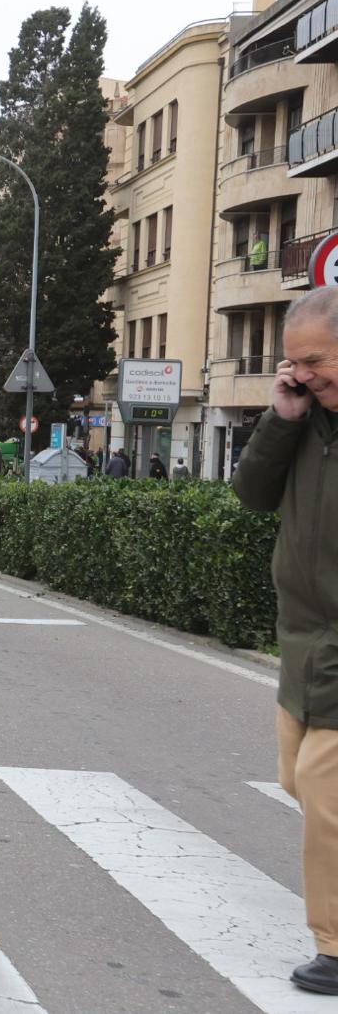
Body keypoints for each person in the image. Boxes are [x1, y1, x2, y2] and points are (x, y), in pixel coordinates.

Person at [231, 285, 338, 996]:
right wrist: (281, 416)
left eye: (314, 361)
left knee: (328, 798)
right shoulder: (303, 420)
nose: (300, 372)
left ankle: (334, 946)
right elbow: (251, 493)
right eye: (293, 361)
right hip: (301, 639)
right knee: (294, 779)